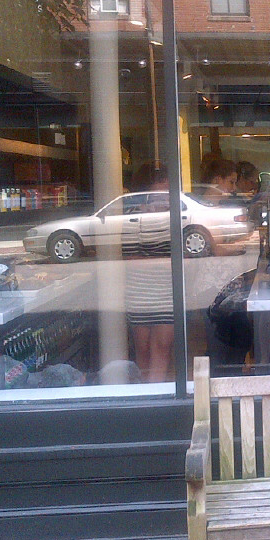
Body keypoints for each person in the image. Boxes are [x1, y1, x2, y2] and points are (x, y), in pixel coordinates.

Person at [124, 163, 174, 383]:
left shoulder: (177, 216)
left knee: (162, 346)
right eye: (160, 190)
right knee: (142, 350)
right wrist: (167, 264)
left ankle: (156, 391)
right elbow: (130, 260)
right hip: (139, 293)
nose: (165, 196)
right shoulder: (132, 218)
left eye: (168, 189)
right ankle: (147, 393)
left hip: (166, 293)